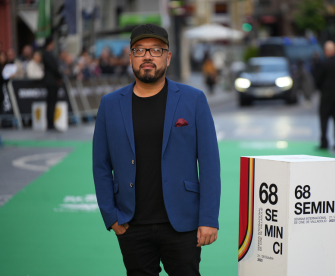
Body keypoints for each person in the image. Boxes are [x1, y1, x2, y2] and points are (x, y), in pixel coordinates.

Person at [92, 24, 221, 275]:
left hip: (182, 223)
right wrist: (111, 216)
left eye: (156, 50)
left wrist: (208, 219)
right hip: (131, 224)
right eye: (140, 50)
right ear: (130, 57)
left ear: (168, 57)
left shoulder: (193, 99)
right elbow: (100, 164)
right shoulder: (109, 105)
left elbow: (209, 163)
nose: (148, 56)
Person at [315, 41, 335, 150]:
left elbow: (318, 80)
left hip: (326, 95)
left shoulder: (323, 63)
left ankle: (324, 141)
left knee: (324, 120)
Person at [42, 37, 62, 130]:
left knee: (51, 103)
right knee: (51, 103)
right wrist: (59, 76)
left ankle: (51, 123)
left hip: (51, 81)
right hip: (51, 82)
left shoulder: (48, 54)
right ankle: (50, 124)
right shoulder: (47, 54)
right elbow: (54, 67)